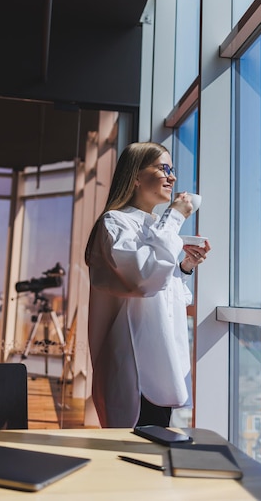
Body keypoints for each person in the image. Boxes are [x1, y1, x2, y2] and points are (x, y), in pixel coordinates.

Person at [85, 141, 211, 428]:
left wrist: (185, 268)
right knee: (131, 457)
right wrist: (175, 216)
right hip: (133, 371)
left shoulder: (155, 227)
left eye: (172, 169)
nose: (172, 177)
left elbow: (162, 295)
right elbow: (142, 280)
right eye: (163, 168)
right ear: (136, 177)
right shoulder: (114, 224)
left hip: (160, 368)